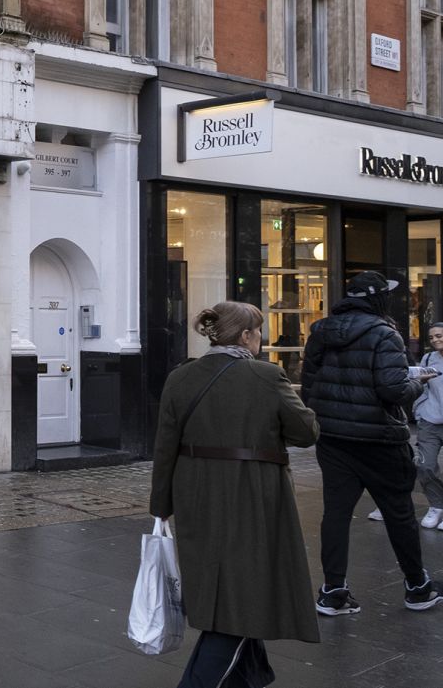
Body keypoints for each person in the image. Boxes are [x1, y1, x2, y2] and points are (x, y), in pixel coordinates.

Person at [150, 302, 320, 687]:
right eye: (258, 331)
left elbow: (165, 447)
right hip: (252, 496)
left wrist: (161, 507)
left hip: (194, 496)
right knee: (242, 595)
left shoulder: (181, 377)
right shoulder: (266, 375)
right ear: (245, 336)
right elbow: (306, 433)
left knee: (230, 589)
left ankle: (249, 677)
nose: (260, 338)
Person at [302, 270, 441, 614]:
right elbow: (393, 389)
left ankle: (333, 591)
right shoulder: (385, 334)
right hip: (379, 439)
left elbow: (308, 386)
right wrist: (419, 383)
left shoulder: (320, 330)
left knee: (335, 513)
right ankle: (417, 587)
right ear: (377, 298)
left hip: (333, 439)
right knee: (399, 513)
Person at [413, 322, 443, 530]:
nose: (435, 340)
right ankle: (437, 505)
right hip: (430, 420)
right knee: (425, 465)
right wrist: (419, 411)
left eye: (439, 336)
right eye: (432, 337)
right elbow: (421, 386)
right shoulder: (428, 358)